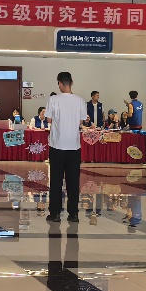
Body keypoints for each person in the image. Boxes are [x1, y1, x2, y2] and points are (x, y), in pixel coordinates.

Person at [44, 72, 86, 223]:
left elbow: (49, 119)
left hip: (57, 146)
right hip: (74, 147)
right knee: (73, 181)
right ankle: (73, 214)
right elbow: (81, 121)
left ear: (60, 83)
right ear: (71, 83)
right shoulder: (80, 100)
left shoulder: (53, 99)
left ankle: (55, 213)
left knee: (56, 181)